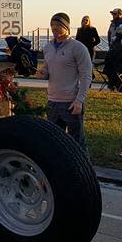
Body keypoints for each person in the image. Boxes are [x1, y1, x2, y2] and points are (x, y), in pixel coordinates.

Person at [36, 13, 93, 150]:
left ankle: (82, 169)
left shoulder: (78, 48)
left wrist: (79, 100)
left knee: (77, 143)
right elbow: (48, 70)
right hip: (52, 102)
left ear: (66, 27)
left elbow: (86, 76)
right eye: (52, 25)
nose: (54, 28)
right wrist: (43, 74)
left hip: (71, 103)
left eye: (57, 25)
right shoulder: (48, 48)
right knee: (55, 142)